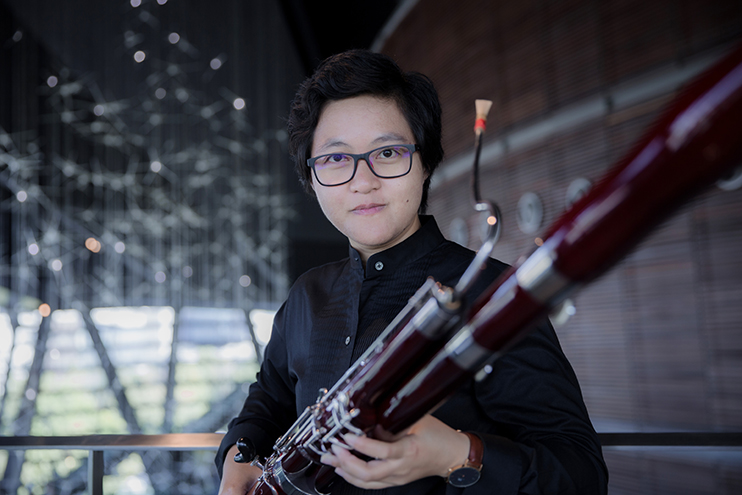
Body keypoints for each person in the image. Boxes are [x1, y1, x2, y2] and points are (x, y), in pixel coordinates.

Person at [216, 49, 608, 495]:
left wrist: (457, 455)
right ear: (312, 177)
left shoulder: (493, 292)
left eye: (387, 152)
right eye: (336, 159)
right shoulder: (308, 294)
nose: (363, 181)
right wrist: (238, 453)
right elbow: (268, 399)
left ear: (425, 163)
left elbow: (581, 475)